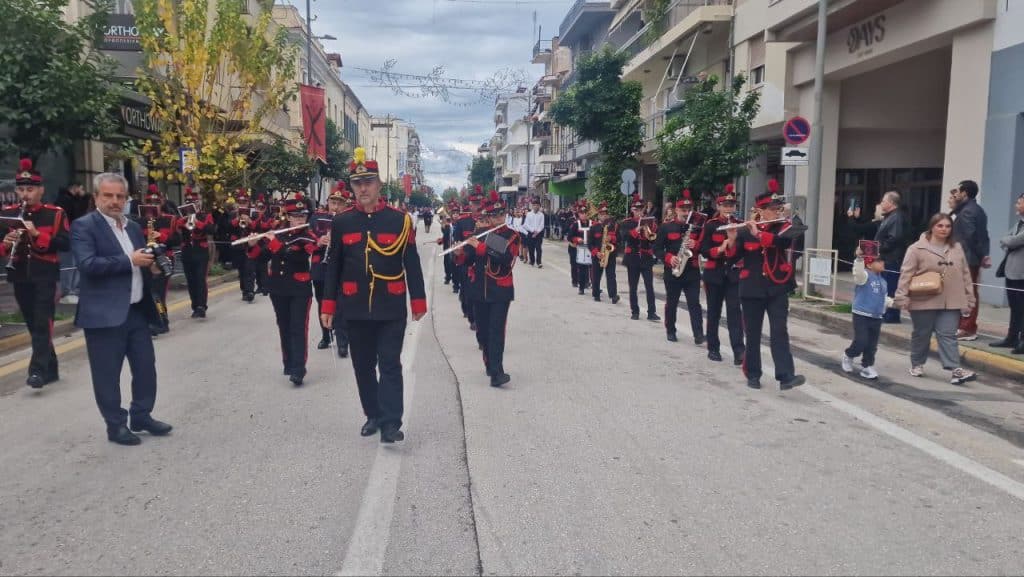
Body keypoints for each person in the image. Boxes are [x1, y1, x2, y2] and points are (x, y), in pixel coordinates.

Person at [321, 148, 427, 443]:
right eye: (357, 183)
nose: (363, 188)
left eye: (368, 182)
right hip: (354, 307)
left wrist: (418, 299)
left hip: (390, 304)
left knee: (390, 363)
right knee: (363, 366)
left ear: (380, 184)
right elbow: (334, 268)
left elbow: (412, 262)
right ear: (352, 187)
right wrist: (328, 305)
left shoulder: (399, 221)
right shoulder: (342, 222)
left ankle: (392, 422)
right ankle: (373, 414)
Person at [72, 172, 172, 446]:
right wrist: (130, 260)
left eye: (120, 196)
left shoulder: (133, 227)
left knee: (145, 368)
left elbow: (141, 265)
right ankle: (115, 425)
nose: (114, 202)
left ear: (127, 199)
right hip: (104, 315)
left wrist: (151, 267)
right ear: (96, 198)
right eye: (108, 196)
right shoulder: (84, 226)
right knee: (107, 375)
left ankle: (141, 415)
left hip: (137, 311)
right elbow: (88, 265)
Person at [726, 179, 806, 390]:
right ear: (760, 211)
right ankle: (753, 374)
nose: (777, 212)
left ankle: (786, 376)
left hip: (777, 287)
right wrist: (733, 240)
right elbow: (732, 259)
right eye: (772, 209)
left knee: (779, 331)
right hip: (751, 288)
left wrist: (759, 234)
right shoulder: (744, 231)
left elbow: (782, 242)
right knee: (752, 334)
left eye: (778, 208)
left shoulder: (784, 228)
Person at [0, 159, 70, 388]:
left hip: (45, 274)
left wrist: (37, 234)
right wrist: (7, 243)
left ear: (41, 190)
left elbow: (65, 242)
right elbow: (1, 248)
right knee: (32, 322)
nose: (25, 194)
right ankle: (51, 368)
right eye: (21, 189)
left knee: (42, 321)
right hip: (19, 273)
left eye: (30, 189)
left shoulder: (55, 213)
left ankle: (37, 371)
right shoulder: (8, 214)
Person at [894, 213, 977, 385]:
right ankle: (917, 363)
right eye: (940, 226)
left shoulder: (957, 248)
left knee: (948, 334)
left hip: (951, 300)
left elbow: (966, 274)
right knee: (921, 334)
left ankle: (955, 370)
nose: (944, 229)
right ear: (932, 227)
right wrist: (901, 297)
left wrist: (970, 298)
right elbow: (906, 274)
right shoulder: (916, 248)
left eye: (947, 226)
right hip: (923, 298)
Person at [249, 193, 317, 386]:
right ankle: (288, 363)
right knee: (284, 325)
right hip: (278, 288)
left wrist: (274, 243)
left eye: (302, 216)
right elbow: (260, 258)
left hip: (299, 288)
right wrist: (252, 245)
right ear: (288, 216)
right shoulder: (278, 232)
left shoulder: (307, 236)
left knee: (298, 327)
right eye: (295, 216)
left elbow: (296, 258)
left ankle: (298, 368)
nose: (299, 219)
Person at [465, 192, 520, 387]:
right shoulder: (480, 234)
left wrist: (480, 246)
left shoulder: (512, 235)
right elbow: (469, 259)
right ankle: (490, 364)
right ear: (487, 217)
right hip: (480, 289)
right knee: (483, 332)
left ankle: (497, 372)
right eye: (494, 216)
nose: (498, 219)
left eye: (501, 215)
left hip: (500, 291)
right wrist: (460, 252)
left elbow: (506, 258)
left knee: (496, 331)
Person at [700, 184, 745, 365]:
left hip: (733, 275)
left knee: (735, 313)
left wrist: (734, 244)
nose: (728, 208)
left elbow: (743, 251)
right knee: (714, 313)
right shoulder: (710, 225)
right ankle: (713, 348)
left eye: (731, 205)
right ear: (718, 206)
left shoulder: (739, 225)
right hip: (715, 274)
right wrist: (719, 249)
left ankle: (739, 351)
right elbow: (703, 249)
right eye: (725, 205)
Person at [655, 191, 705, 343]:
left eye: (688, 210)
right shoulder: (666, 227)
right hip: (673, 270)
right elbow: (656, 249)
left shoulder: (697, 228)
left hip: (692, 270)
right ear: (676, 210)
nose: (686, 213)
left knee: (694, 303)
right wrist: (669, 258)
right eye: (683, 210)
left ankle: (698, 334)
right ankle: (671, 330)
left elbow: (705, 247)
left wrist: (696, 244)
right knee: (672, 302)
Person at [312, 184, 351, 357]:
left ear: (345, 204)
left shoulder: (350, 220)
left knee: (341, 305)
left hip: (341, 269)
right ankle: (326, 336)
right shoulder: (317, 218)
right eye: (332, 202)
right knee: (322, 302)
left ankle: (343, 342)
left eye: (339, 203)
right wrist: (319, 241)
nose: (335, 206)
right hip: (321, 267)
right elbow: (307, 238)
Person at [950, 180, 991, 341]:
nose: (956, 195)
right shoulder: (977, 210)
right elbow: (983, 236)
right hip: (970, 257)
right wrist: (984, 255)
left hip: (966, 258)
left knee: (968, 293)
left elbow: (971, 237)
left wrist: (982, 256)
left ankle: (967, 328)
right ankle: (964, 325)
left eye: (958, 192)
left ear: (965, 193)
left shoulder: (967, 212)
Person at [841, 254, 893, 379]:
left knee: (872, 345)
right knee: (861, 341)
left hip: (877, 317)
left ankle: (867, 366)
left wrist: (893, 303)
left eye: (882, 260)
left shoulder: (883, 281)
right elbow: (857, 273)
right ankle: (849, 355)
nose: (882, 263)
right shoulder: (864, 276)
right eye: (878, 261)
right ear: (869, 264)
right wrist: (859, 259)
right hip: (861, 314)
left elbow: (884, 298)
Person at [138, 184, 181, 336]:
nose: (153, 205)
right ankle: (152, 320)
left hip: (164, 259)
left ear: (161, 203)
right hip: (146, 259)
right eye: (150, 202)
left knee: (158, 293)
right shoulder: (140, 221)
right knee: (148, 293)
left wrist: (161, 236)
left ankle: (162, 321)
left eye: (156, 203)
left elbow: (177, 240)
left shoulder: (170, 219)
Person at [991, 193, 1024, 354]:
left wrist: (1009, 241)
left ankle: (1022, 341)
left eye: (1019, 203)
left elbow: (1011, 241)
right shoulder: (1019, 224)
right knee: (1015, 307)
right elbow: (1004, 240)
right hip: (1011, 271)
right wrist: (1009, 241)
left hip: (1022, 273)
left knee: (1022, 307)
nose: (1016, 205)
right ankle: (1012, 338)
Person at [619, 195, 660, 322]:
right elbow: (624, 238)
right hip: (632, 258)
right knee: (633, 287)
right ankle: (635, 311)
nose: (639, 211)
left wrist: (649, 232)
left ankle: (652, 312)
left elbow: (655, 238)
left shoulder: (650, 222)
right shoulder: (627, 223)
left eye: (641, 209)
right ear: (632, 209)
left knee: (649, 286)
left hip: (646, 258)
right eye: (636, 209)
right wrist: (637, 229)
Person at [176, 187, 215, 318]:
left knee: (200, 279)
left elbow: (211, 229)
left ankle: (201, 306)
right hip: (187, 250)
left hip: (201, 250)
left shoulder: (205, 215)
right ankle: (195, 305)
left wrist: (197, 222)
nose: (194, 203)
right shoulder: (181, 217)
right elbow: (177, 228)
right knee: (191, 280)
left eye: (195, 201)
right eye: (189, 201)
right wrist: (185, 220)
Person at [872, 191, 906, 323]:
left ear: (891, 203)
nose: (881, 203)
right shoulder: (888, 217)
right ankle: (886, 313)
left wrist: (879, 249)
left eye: (883, 201)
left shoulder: (896, 217)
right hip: (887, 258)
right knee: (885, 287)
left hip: (891, 259)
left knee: (891, 287)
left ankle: (892, 315)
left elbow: (894, 238)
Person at [56, 181, 90, 304]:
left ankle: (73, 289)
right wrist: (84, 198)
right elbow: (78, 215)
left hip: (73, 235)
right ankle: (68, 290)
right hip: (67, 235)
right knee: (69, 264)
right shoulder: (66, 200)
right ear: (75, 188)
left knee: (75, 263)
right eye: (81, 188)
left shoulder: (69, 199)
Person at [227, 189, 258, 302]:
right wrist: (237, 219)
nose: (242, 204)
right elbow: (227, 228)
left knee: (249, 269)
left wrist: (249, 221)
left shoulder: (253, 213)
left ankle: (250, 291)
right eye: (240, 202)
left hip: (250, 245)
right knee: (241, 270)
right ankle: (244, 290)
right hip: (238, 245)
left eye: (244, 202)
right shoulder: (232, 214)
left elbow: (258, 228)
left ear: (248, 202)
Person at [587, 202, 620, 304]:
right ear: (598, 216)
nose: (604, 216)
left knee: (611, 275)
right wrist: (596, 253)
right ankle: (596, 294)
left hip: (610, 254)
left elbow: (620, 239)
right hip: (598, 255)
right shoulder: (593, 227)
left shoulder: (613, 226)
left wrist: (612, 238)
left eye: (605, 214)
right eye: (601, 214)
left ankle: (613, 295)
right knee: (596, 275)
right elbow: (590, 243)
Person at [567, 203, 593, 296]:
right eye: (582, 213)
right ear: (579, 214)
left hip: (590, 248)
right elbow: (569, 236)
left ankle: (592, 285)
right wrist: (577, 239)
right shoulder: (575, 224)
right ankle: (580, 286)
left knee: (591, 267)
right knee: (579, 267)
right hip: (577, 248)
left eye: (585, 212)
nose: (584, 214)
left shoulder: (592, 223)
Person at [523, 198, 545, 267]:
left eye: (537, 205)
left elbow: (542, 225)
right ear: (532, 206)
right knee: (531, 248)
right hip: (530, 233)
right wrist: (532, 231)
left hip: (538, 234)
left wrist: (537, 232)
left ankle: (539, 262)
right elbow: (526, 225)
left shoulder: (541, 215)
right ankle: (532, 261)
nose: (536, 206)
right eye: (534, 205)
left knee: (538, 248)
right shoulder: (529, 214)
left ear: (539, 206)